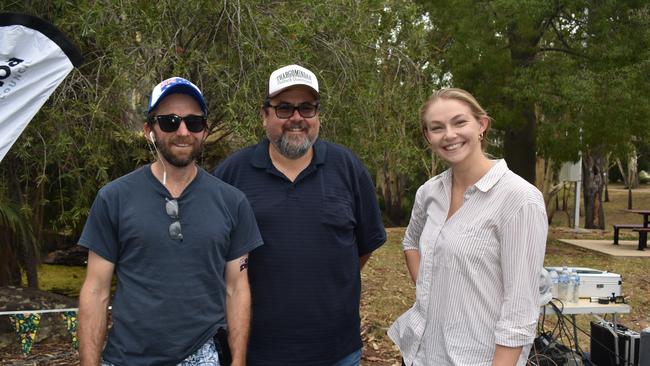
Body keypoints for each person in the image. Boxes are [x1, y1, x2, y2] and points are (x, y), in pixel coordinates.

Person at [77, 77, 263, 366]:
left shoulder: (232, 202)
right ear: (149, 130)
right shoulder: (113, 198)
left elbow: (237, 288)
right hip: (128, 357)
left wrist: (237, 362)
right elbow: (96, 290)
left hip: (203, 355)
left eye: (194, 122)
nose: (183, 131)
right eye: (170, 121)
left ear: (205, 130)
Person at [212, 64, 387, 366]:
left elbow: (363, 247)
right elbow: (213, 254)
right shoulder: (231, 175)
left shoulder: (348, 168)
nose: (296, 118)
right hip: (255, 352)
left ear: (318, 114)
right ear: (264, 114)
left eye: (307, 108)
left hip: (337, 352)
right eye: (284, 108)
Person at [388, 88, 548, 366]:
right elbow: (410, 243)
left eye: (460, 122)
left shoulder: (519, 199)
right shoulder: (430, 192)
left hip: (476, 358)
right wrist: (430, 289)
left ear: (481, 125)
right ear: (428, 137)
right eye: (437, 128)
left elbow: (520, 309)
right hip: (420, 354)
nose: (449, 134)